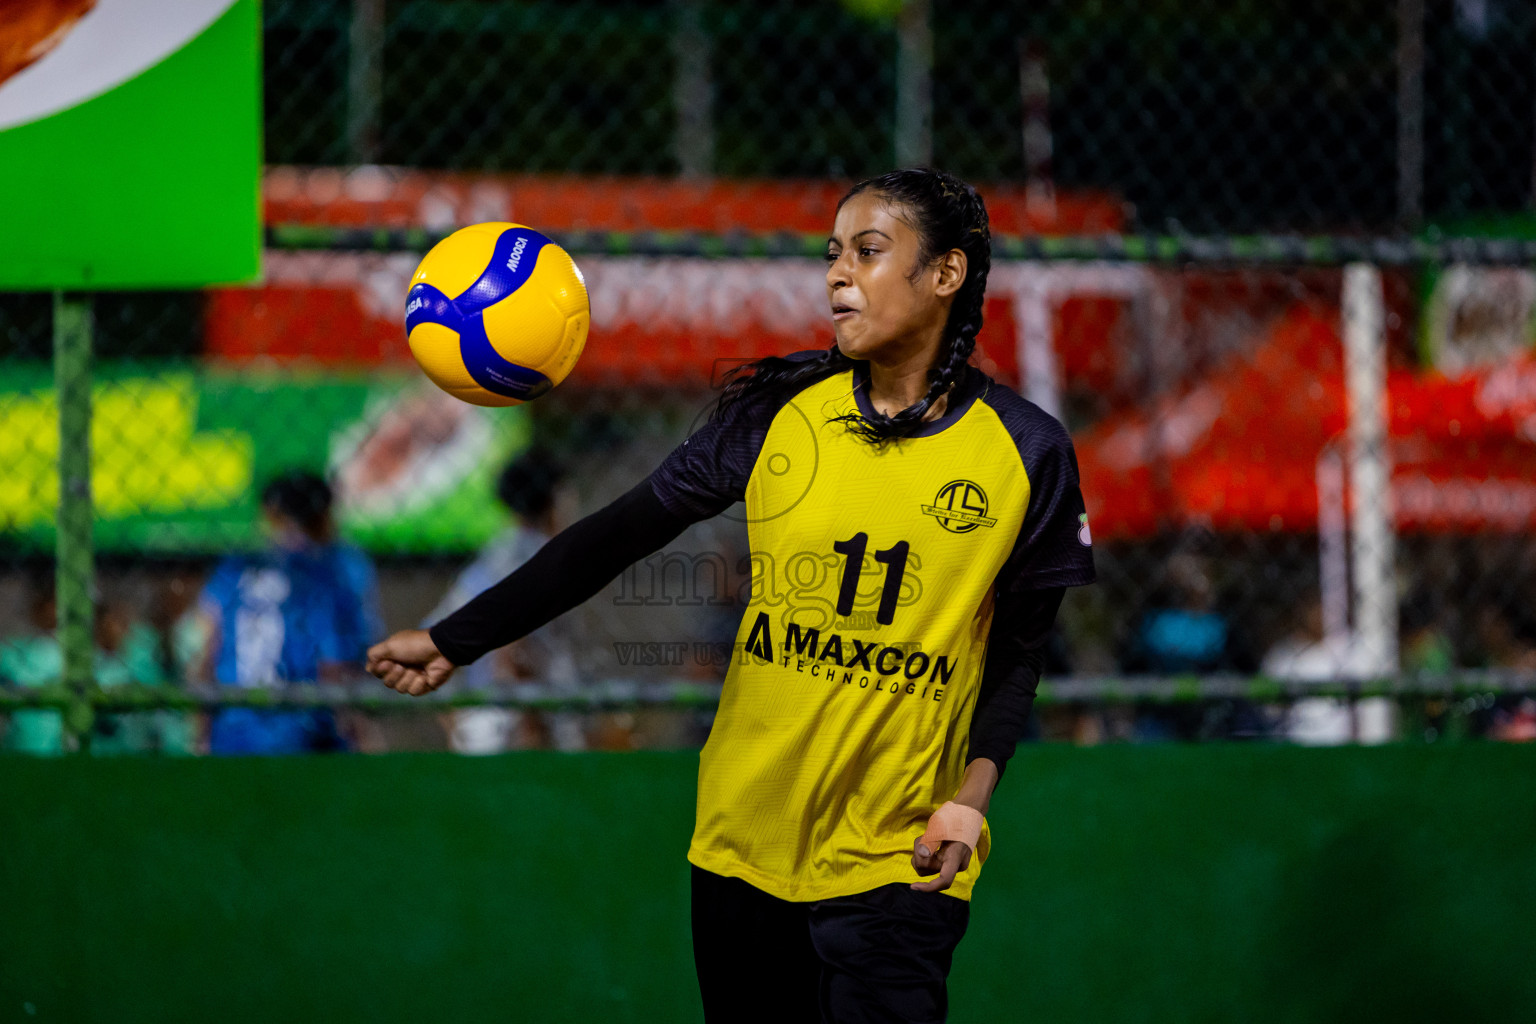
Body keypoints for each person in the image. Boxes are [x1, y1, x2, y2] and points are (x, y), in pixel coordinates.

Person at [366, 169, 1095, 1022]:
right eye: (831, 254)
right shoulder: (779, 415)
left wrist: (968, 805)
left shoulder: (1027, 452)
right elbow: (613, 535)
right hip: (742, 842)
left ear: (946, 274)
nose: (837, 274)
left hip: (903, 856)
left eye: (867, 251)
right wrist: (459, 637)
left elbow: (1015, 657)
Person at [190, 471, 382, 755]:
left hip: (230, 732)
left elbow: (205, 653)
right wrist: (360, 734)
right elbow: (333, 665)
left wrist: (201, 733)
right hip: (302, 734)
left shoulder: (235, 568)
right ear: (323, 516)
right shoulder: (326, 572)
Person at [423, 447, 582, 753]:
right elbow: (512, 654)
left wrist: (456, 728)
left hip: (484, 723)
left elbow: (431, 633)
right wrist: (529, 726)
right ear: (553, 500)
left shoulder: (498, 552)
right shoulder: (538, 555)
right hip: (515, 728)